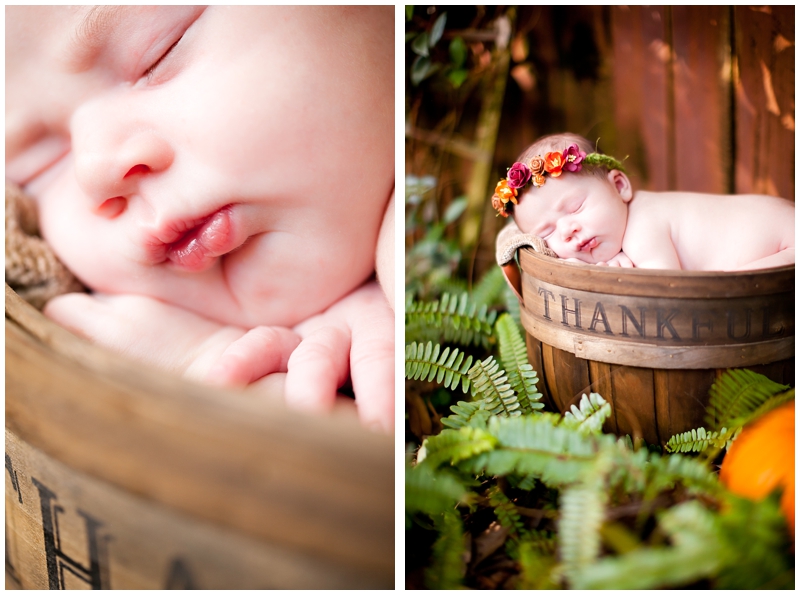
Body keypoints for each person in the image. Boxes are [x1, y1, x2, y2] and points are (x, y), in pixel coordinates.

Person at [5, 6, 395, 433]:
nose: (95, 170)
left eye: (156, 54)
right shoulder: (98, 324)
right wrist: (208, 360)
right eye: (39, 167)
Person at [492, 132, 795, 271]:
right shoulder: (624, 226)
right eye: (546, 233)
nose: (568, 230)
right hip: (783, 221)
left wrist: (609, 273)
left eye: (575, 208)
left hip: (788, 242)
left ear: (620, 186)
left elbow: (660, 294)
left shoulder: (642, 223)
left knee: (741, 286)